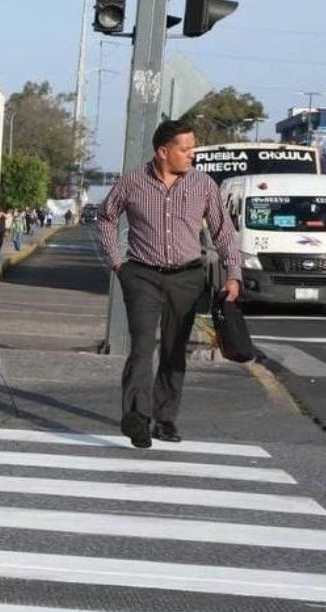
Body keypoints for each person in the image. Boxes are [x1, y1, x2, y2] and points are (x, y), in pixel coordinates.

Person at [96, 119, 241, 449]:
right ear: (164, 152)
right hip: (142, 275)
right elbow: (105, 218)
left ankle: (165, 418)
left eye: (193, 148)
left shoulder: (203, 185)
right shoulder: (132, 182)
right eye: (185, 149)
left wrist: (234, 274)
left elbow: (223, 232)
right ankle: (136, 418)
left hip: (187, 277)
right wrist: (117, 262)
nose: (192, 154)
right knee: (142, 346)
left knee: (175, 349)